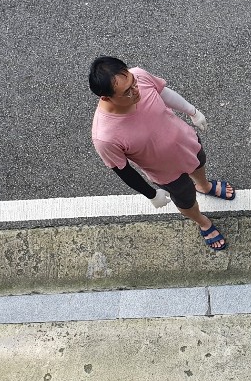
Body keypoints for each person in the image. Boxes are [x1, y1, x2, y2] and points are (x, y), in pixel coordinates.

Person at [88, 56, 235, 251]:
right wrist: (151, 194)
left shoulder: (139, 75)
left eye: (133, 83)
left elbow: (163, 93)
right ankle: (203, 222)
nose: (136, 91)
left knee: (199, 164)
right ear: (106, 97)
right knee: (186, 199)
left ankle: (204, 186)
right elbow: (123, 170)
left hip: (187, 143)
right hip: (166, 173)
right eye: (127, 92)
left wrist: (192, 111)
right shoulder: (104, 136)